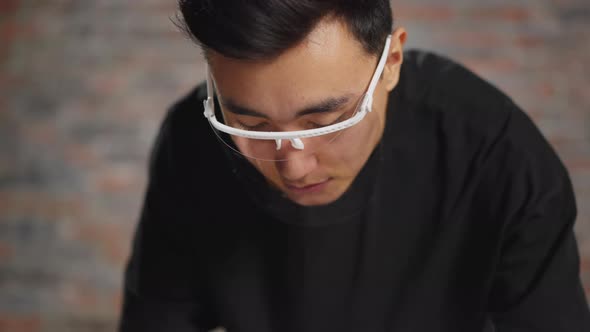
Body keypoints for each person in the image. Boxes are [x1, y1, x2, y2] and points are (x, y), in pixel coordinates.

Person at [118, 1, 590, 331]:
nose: (295, 166)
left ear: (392, 62)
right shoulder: (192, 140)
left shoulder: (497, 154)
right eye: (252, 124)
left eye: (326, 121)